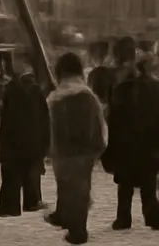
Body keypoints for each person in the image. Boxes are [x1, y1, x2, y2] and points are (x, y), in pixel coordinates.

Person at [46, 51, 108, 245]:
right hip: (86, 151)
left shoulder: (55, 97)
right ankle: (72, 223)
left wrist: (48, 149)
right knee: (81, 189)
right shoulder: (88, 96)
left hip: (63, 151)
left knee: (66, 185)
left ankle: (78, 232)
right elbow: (100, 123)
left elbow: (47, 126)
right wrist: (100, 147)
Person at [101, 39, 159, 230]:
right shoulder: (153, 85)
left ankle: (124, 217)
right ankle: (151, 215)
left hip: (126, 142)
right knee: (147, 182)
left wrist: (110, 148)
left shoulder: (119, 87)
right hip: (148, 141)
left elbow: (113, 118)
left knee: (126, 183)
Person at [0, 61, 50, 216]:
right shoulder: (36, 92)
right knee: (31, 171)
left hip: (14, 140)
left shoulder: (11, 91)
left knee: (12, 173)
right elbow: (45, 120)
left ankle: (10, 207)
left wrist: (2, 147)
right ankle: (31, 201)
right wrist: (45, 144)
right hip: (33, 140)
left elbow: (5, 121)